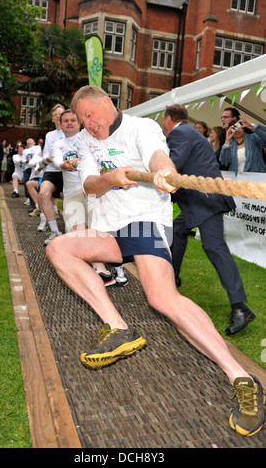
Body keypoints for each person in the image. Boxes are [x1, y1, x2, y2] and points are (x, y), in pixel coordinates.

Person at [46, 86, 265, 437]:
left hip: (145, 222)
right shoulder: (87, 141)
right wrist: (111, 178)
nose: (87, 124)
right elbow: (88, 185)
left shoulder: (141, 127)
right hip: (108, 229)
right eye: (82, 120)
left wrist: (162, 171)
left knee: (162, 299)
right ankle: (118, 328)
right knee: (59, 249)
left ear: (107, 104)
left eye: (90, 115)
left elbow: (159, 158)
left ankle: (242, 377)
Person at [162, 104, 256, 336]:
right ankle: (173, 275)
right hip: (200, 199)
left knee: (214, 247)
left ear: (168, 119)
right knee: (179, 228)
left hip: (205, 200)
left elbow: (172, 166)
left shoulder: (179, 133)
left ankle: (240, 307)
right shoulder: (190, 132)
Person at [51, 108, 125, 286]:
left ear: (79, 123)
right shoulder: (58, 144)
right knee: (79, 233)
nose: (69, 123)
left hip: (93, 190)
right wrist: (64, 164)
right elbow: (56, 161)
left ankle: (118, 265)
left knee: (100, 229)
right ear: (61, 124)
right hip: (72, 194)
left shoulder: (90, 139)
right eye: (66, 120)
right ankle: (100, 270)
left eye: (73, 120)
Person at [38, 104, 65, 245]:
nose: (58, 117)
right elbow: (45, 156)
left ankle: (71, 230)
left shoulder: (73, 132)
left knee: (68, 198)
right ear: (52, 119)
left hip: (67, 172)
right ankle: (54, 231)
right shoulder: (50, 135)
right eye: (55, 115)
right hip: (52, 171)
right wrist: (52, 159)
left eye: (60, 114)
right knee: (43, 194)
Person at [23, 138, 42, 208]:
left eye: (30, 140)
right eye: (27, 140)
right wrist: (27, 161)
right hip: (28, 168)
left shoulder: (37, 147)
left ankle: (35, 203)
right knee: (26, 182)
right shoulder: (25, 151)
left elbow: (37, 155)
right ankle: (30, 200)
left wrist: (33, 162)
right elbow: (23, 160)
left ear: (34, 142)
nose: (28, 140)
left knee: (35, 185)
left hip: (35, 168)